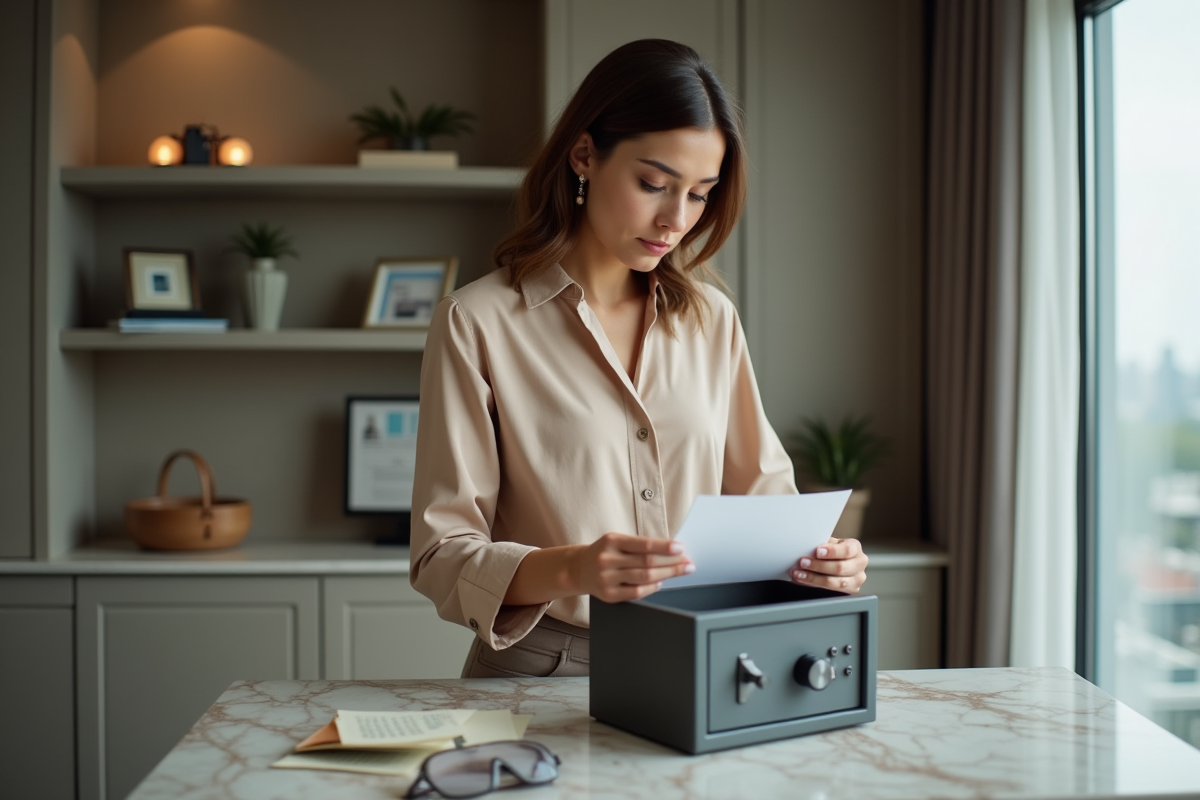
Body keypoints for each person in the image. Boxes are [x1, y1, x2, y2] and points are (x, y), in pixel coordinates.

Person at [410, 39, 868, 679]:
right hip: (544, 672)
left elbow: (765, 506)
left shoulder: (711, 321)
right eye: (653, 183)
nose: (675, 219)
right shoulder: (477, 321)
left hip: (707, 662)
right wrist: (575, 567)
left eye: (701, 194)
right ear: (584, 155)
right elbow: (442, 554)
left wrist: (822, 560)